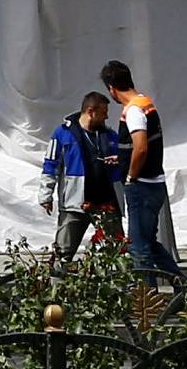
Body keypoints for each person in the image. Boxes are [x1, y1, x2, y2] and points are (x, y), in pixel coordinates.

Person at [101, 58, 182, 283]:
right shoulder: (145, 102)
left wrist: (130, 176)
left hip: (142, 186)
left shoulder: (134, 110)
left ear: (111, 89)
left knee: (138, 247)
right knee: (148, 241)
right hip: (154, 184)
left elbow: (142, 147)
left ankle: (146, 302)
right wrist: (123, 158)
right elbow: (142, 146)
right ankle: (183, 289)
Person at [39, 92, 124, 261]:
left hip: (107, 203)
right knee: (63, 252)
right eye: (104, 112)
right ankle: (57, 285)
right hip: (74, 203)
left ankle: (120, 286)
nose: (107, 116)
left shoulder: (110, 136)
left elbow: (124, 162)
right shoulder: (63, 134)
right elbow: (50, 165)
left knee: (117, 250)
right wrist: (45, 195)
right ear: (91, 111)